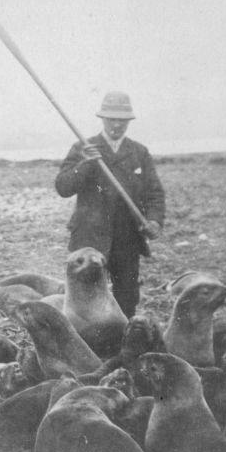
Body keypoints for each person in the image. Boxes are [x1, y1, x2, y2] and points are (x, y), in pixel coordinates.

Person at [54, 91, 165, 318]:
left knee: (127, 296)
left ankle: (125, 342)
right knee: (85, 295)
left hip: (127, 238)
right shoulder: (83, 148)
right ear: (102, 119)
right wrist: (86, 163)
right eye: (111, 119)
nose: (116, 125)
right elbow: (63, 187)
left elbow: (155, 192)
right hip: (89, 237)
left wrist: (154, 220)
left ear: (128, 122)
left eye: (122, 120)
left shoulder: (139, 152)